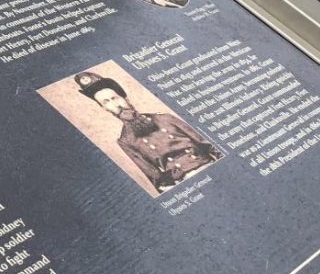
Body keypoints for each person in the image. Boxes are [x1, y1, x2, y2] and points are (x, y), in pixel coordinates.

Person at [75, 71, 221, 192]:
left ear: (125, 98)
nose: (115, 105)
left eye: (115, 98)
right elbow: (155, 177)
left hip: (208, 166)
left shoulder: (165, 118)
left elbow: (208, 144)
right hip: (184, 182)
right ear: (104, 109)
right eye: (106, 102)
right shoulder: (125, 141)